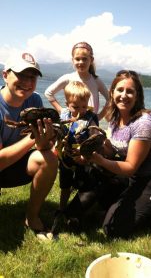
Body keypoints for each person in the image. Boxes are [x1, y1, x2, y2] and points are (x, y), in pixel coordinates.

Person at [87, 70, 151, 238]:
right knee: (96, 184)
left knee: (112, 229)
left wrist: (100, 160)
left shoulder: (143, 123)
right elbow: (112, 150)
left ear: (137, 95)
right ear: (112, 92)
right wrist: (98, 142)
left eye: (130, 91)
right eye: (119, 90)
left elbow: (130, 167)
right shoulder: (114, 117)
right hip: (133, 178)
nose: (124, 95)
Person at [0, 52, 58, 235]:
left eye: (32, 77)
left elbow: (41, 147)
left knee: (49, 158)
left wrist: (44, 140)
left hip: (15, 164)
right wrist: (31, 138)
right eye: (21, 75)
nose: (27, 82)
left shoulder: (34, 101)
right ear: (5, 75)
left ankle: (32, 217)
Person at [56, 80, 99, 211]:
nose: (81, 111)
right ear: (67, 105)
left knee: (83, 183)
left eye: (84, 107)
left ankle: (80, 208)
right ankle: (62, 208)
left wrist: (86, 157)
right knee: (65, 184)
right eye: (75, 107)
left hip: (83, 158)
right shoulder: (64, 116)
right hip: (66, 158)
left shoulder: (90, 118)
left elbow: (95, 139)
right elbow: (58, 133)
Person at [44, 41, 109, 120]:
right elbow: (48, 93)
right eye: (77, 59)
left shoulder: (96, 81)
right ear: (73, 60)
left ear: (91, 60)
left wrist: (99, 116)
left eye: (84, 59)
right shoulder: (67, 78)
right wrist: (61, 110)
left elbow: (110, 99)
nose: (81, 62)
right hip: (71, 121)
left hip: (90, 122)